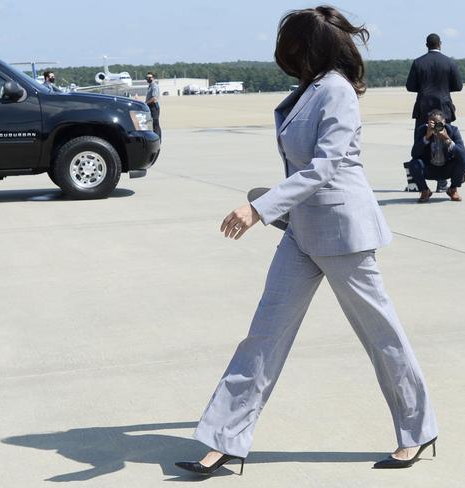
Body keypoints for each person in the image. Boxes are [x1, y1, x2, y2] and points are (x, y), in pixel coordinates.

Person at [174, 6, 438, 476]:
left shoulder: (335, 90)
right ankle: (224, 440)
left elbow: (326, 166)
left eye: (289, 48)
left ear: (305, 48)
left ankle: (418, 431)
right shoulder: (308, 90)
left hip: (343, 232)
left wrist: (259, 207)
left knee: (382, 336)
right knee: (264, 335)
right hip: (301, 232)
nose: (283, 57)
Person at [405, 33, 463, 193]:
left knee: (422, 141)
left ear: (426, 45)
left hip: (424, 109)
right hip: (443, 109)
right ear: (440, 44)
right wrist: (443, 89)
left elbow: (410, 86)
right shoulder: (449, 62)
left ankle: (418, 181)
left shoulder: (418, 62)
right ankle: (442, 182)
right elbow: (458, 85)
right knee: (444, 141)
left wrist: (425, 87)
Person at [408, 109, 465, 202]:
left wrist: (447, 139)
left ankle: (453, 189)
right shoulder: (423, 130)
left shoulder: (453, 130)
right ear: (428, 123)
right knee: (413, 163)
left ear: (444, 122)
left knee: (463, 161)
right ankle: (425, 191)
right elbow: (414, 154)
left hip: (446, 168)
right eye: (433, 123)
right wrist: (426, 137)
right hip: (430, 168)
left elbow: (462, 155)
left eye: (438, 123)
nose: (436, 126)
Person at [145, 72, 161, 141]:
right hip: (151, 106)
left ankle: (157, 139)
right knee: (154, 124)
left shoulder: (154, 86)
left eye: (150, 77)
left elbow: (154, 98)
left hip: (154, 107)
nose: (148, 79)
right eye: (147, 77)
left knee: (155, 124)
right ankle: (158, 138)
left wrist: (146, 103)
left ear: (153, 78)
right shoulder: (150, 86)